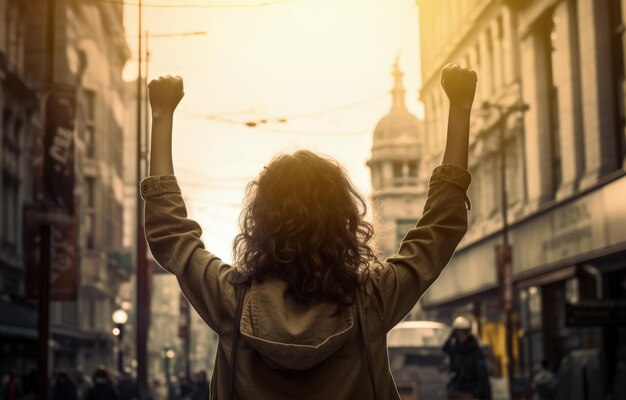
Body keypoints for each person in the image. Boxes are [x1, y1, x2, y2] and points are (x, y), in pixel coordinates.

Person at [141, 63, 476, 399]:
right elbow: (439, 231)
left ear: (260, 221)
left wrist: (161, 117)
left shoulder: (231, 298)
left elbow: (172, 236)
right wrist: (460, 111)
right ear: (345, 220)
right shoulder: (371, 298)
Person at [443, 316, 492, 399]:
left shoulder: (474, 349)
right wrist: (452, 335)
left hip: (471, 391)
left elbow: (483, 377)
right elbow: (445, 349)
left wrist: (476, 394)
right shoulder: (456, 349)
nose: (461, 335)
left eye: (463, 332)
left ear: (467, 333)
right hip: (457, 389)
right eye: (458, 332)